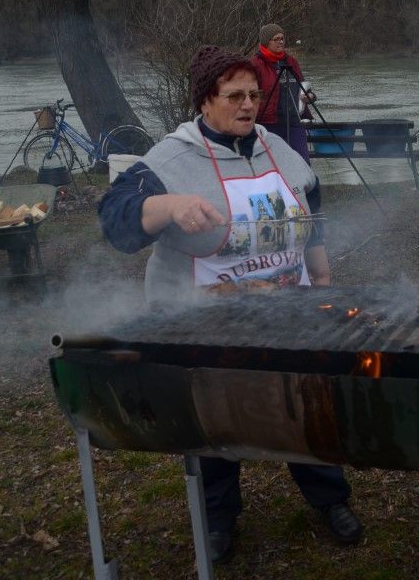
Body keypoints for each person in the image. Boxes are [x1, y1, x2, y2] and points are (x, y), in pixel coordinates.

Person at [98, 45, 363, 563]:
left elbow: (310, 207)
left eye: (254, 95)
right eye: (234, 95)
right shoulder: (171, 158)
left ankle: (330, 498)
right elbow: (114, 218)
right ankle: (218, 519)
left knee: (302, 402)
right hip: (207, 320)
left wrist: (322, 273)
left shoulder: (276, 147)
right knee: (213, 418)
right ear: (205, 100)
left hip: (288, 308)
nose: (248, 105)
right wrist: (167, 205)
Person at [252, 23, 316, 162]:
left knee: (302, 162)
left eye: (282, 38)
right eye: (276, 39)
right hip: (268, 123)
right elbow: (249, 94)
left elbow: (305, 88)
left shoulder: (291, 62)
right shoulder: (256, 64)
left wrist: (310, 97)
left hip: (294, 122)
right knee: (274, 164)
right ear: (266, 42)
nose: (281, 42)